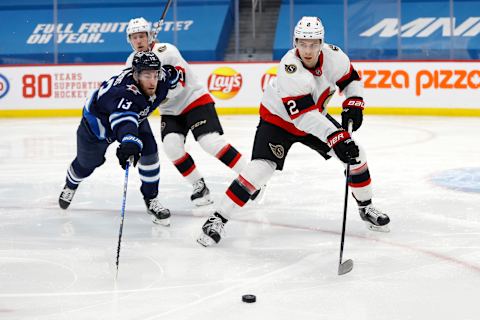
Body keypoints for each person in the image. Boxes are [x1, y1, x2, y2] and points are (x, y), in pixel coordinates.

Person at [197, 16, 390, 247]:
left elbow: (350, 80)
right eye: (302, 43)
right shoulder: (289, 68)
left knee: (357, 154)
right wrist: (337, 136)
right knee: (260, 170)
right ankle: (217, 218)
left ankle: (365, 206)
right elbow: (302, 117)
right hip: (278, 120)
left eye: (313, 44)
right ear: (294, 42)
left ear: (322, 43)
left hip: (314, 116)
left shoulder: (335, 57)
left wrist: (354, 102)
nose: (307, 50)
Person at [124, 17, 250, 206]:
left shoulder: (167, 52)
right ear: (129, 40)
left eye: (142, 36)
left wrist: (152, 98)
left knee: (210, 142)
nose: (139, 41)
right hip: (170, 111)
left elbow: (178, 87)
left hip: (194, 100)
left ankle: (252, 177)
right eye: (134, 37)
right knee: (172, 147)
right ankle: (199, 186)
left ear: (150, 36)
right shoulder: (131, 63)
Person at [58, 52, 172, 226]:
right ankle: (71, 184)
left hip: (135, 118)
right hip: (97, 129)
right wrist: (129, 141)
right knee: (86, 165)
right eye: (147, 75)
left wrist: (178, 74)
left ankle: (151, 199)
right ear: (135, 74)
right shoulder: (122, 94)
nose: (152, 81)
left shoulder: (162, 79)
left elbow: (174, 75)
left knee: (150, 153)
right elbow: (124, 123)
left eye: (155, 74)